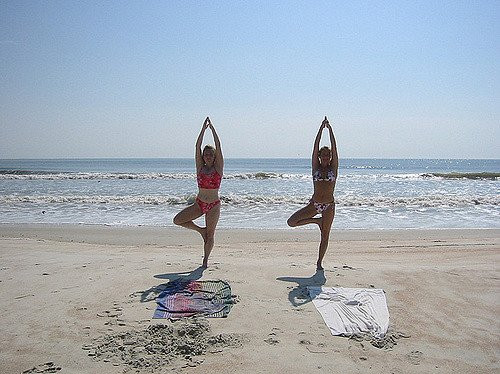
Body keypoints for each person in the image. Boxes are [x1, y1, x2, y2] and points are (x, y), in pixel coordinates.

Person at [287, 116, 338, 270]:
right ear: (319, 157)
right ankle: (316, 221)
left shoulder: (333, 169)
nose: (325, 157)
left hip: (329, 206)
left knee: (325, 235)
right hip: (315, 205)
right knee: (291, 222)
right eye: (323, 155)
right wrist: (320, 130)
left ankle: (319, 262)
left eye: (327, 156)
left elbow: (335, 149)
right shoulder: (315, 168)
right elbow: (315, 147)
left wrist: (330, 131)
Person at [173, 117, 223, 268]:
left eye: (210, 154)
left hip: (214, 205)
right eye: (206, 154)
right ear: (203, 156)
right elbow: (197, 146)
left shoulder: (218, 168)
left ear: (214, 157)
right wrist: (203, 129)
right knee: (178, 220)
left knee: (211, 234)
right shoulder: (200, 168)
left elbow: (219, 146)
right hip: (200, 203)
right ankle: (200, 230)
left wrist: (212, 128)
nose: (208, 156)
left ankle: (205, 260)